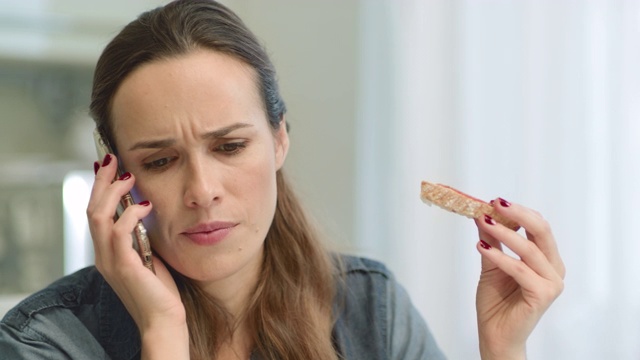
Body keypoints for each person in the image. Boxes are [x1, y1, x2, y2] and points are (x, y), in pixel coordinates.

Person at [0, 1, 565, 359]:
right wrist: (163, 332)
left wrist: (504, 347)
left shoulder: (371, 309)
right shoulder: (44, 343)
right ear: (118, 177)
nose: (202, 190)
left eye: (229, 146)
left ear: (280, 139)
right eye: (161, 161)